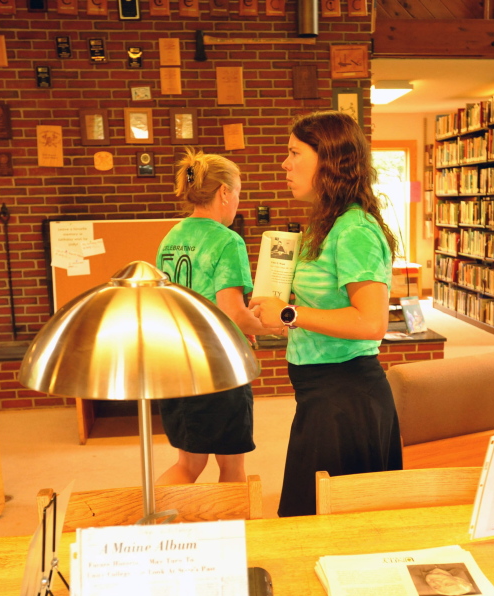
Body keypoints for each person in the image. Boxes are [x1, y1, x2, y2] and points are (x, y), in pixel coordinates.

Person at [250, 111, 402, 516]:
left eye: (294, 153)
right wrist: (281, 314)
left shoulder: (355, 230)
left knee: (329, 525)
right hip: (319, 394)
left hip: (346, 399)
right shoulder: (325, 224)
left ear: (328, 160)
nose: (284, 164)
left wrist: (289, 315)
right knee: (311, 519)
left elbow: (372, 323)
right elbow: (323, 310)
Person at [155, 148, 281, 485]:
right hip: (218, 368)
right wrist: (281, 328)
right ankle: (231, 537)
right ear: (224, 192)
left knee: (188, 465)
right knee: (231, 468)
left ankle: (150, 530)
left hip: (176, 362)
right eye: (238, 192)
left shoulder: (172, 237)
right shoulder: (228, 241)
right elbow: (234, 313)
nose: (238, 200)